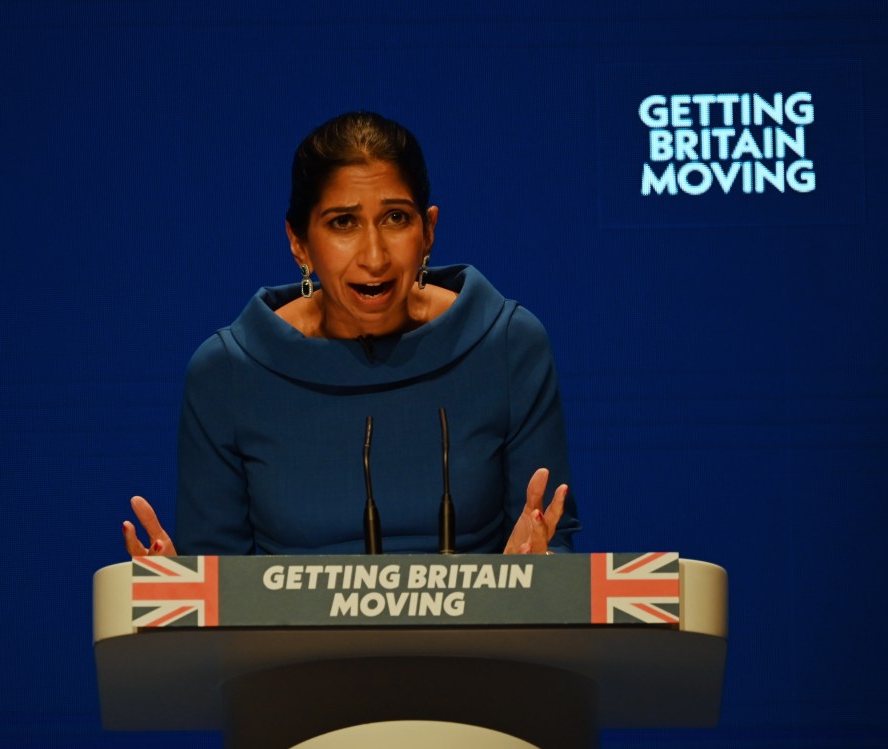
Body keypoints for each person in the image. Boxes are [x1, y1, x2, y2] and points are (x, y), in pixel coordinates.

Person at [123, 111, 580, 557]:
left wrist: (538, 571)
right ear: (299, 243)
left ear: (429, 232)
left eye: (396, 218)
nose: (375, 256)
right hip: (289, 637)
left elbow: (550, 543)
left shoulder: (507, 345)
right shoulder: (227, 374)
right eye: (343, 223)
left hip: (478, 636)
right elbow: (221, 588)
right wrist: (186, 599)